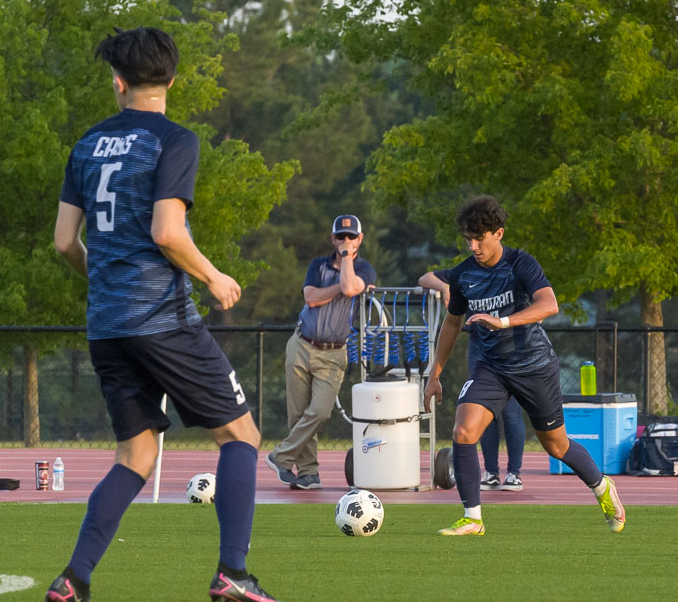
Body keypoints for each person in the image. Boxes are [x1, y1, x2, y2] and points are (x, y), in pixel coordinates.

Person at [46, 26, 292, 602]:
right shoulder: (175, 141)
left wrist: (107, 281)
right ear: (173, 81)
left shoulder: (85, 145)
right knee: (242, 437)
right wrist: (214, 277)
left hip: (106, 325)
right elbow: (166, 232)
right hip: (161, 319)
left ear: (118, 81)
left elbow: (63, 243)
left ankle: (74, 579)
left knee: (135, 456)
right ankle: (233, 571)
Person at [423, 195, 626, 535]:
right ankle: (473, 518)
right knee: (463, 430)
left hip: (534, 366)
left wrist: (502, 322)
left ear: (498, 233)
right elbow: (452, 324)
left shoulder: (521, 264)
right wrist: (436, 373)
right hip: (491, 368)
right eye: (468, 239)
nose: (473, 246)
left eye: (480, 239)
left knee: (556, 445)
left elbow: (549, 304)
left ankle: (602, 487)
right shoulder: (462, 275)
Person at [264, 214, 377, 490]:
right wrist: (341, 288)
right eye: (341, 236)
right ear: (333, 239)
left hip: (333, 352)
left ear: (360, 239)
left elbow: (351, 287)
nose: (346, 241)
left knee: (320, 412)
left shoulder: (365, 269)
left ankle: (279, 456)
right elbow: (311, 298)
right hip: (302, 344)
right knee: (298, 413)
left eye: (351, 236)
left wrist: (347, 264)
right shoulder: (318, 265)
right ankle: (308, 473)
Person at [418, 268, 525, 491]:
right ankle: (491, 472)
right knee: (482, 409)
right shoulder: (467, 270)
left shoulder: (513, 268)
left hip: (511, 346)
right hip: (480, 347)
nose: (476, 247)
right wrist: (445, 287)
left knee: (511, 411)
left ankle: (514, 473)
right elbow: (425, 278)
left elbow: (542, 302)